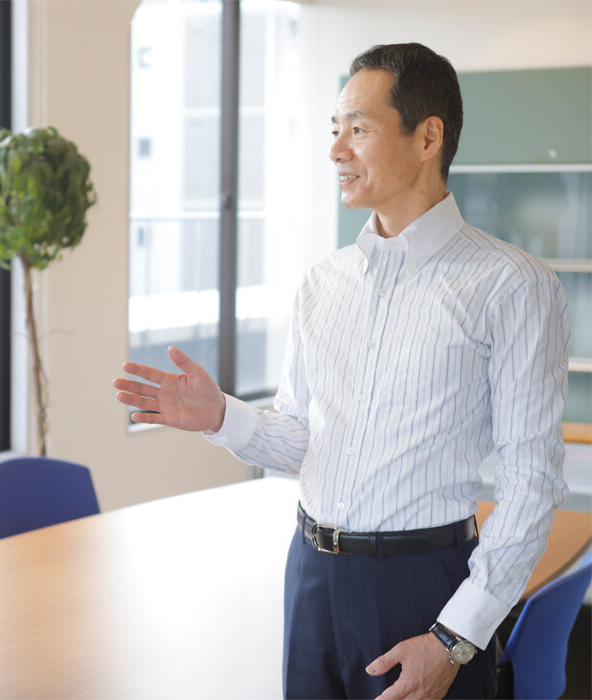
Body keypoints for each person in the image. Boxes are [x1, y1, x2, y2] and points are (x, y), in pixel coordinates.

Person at [114, 43, 569, 700]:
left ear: (427, 137)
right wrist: (221, 416)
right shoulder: (323, 284)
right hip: (311, 576)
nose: (335, 151)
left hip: (426, 584)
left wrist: (453, 638)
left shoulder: (509, 286)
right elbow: (306, 440)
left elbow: (530, 486)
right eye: (334, 130)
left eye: (357, 129)